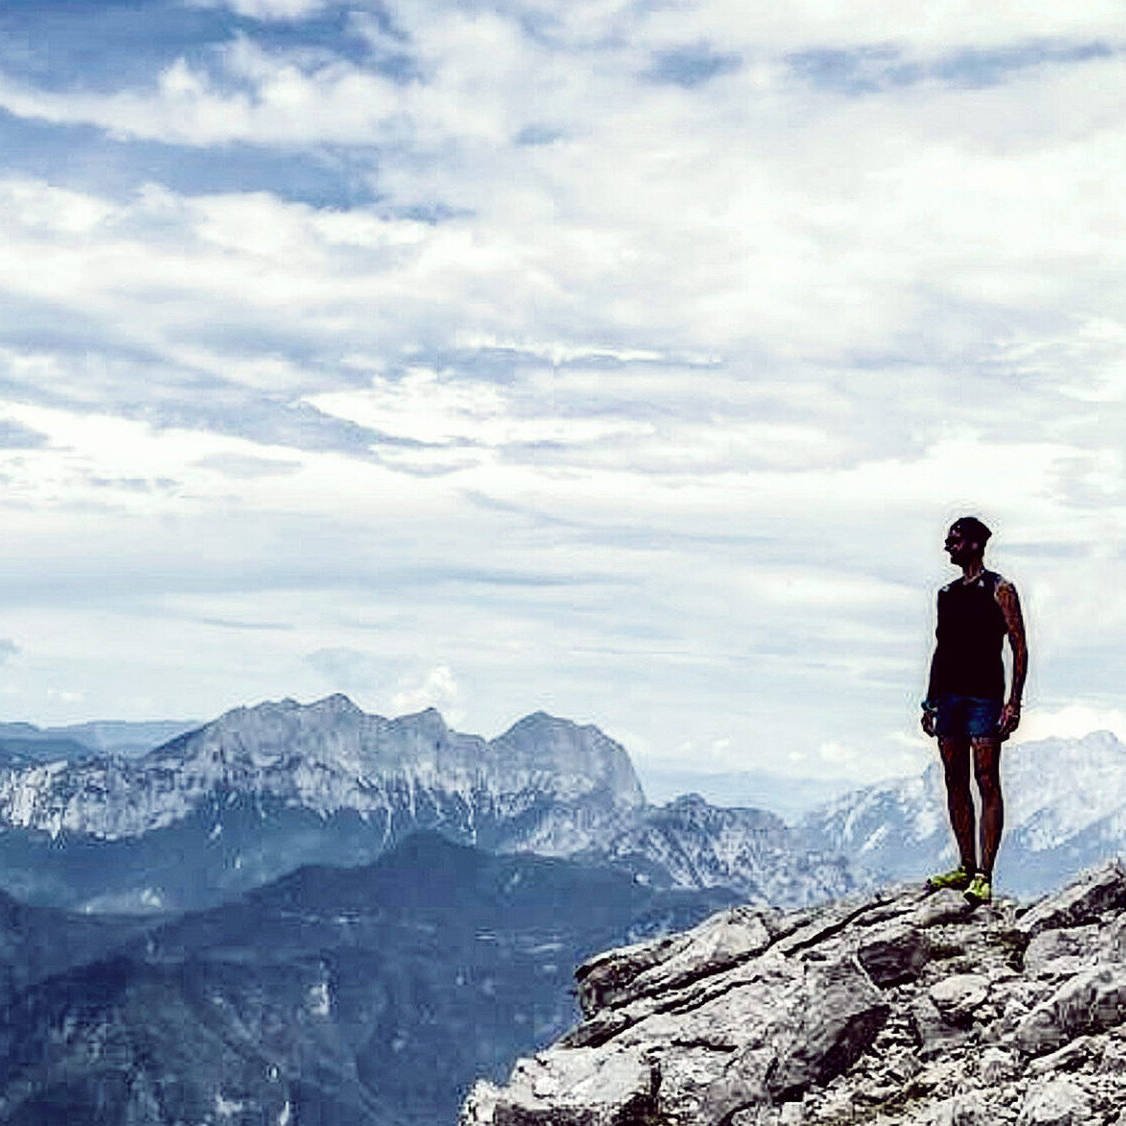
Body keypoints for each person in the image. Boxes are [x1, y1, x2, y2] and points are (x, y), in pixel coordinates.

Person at [920, 516, 1027, 906]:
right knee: (954, 779)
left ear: (976, 544)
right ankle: (965, 866)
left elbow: (1019, 645)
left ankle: (984, 874)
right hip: (949, 697)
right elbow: (940, 649)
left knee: (986, 779)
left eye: (955, 540)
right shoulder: (946, 594)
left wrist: (1014, 702)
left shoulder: (1000, 590)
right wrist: (929, 701)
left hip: (984, 698)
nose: (948, 546)